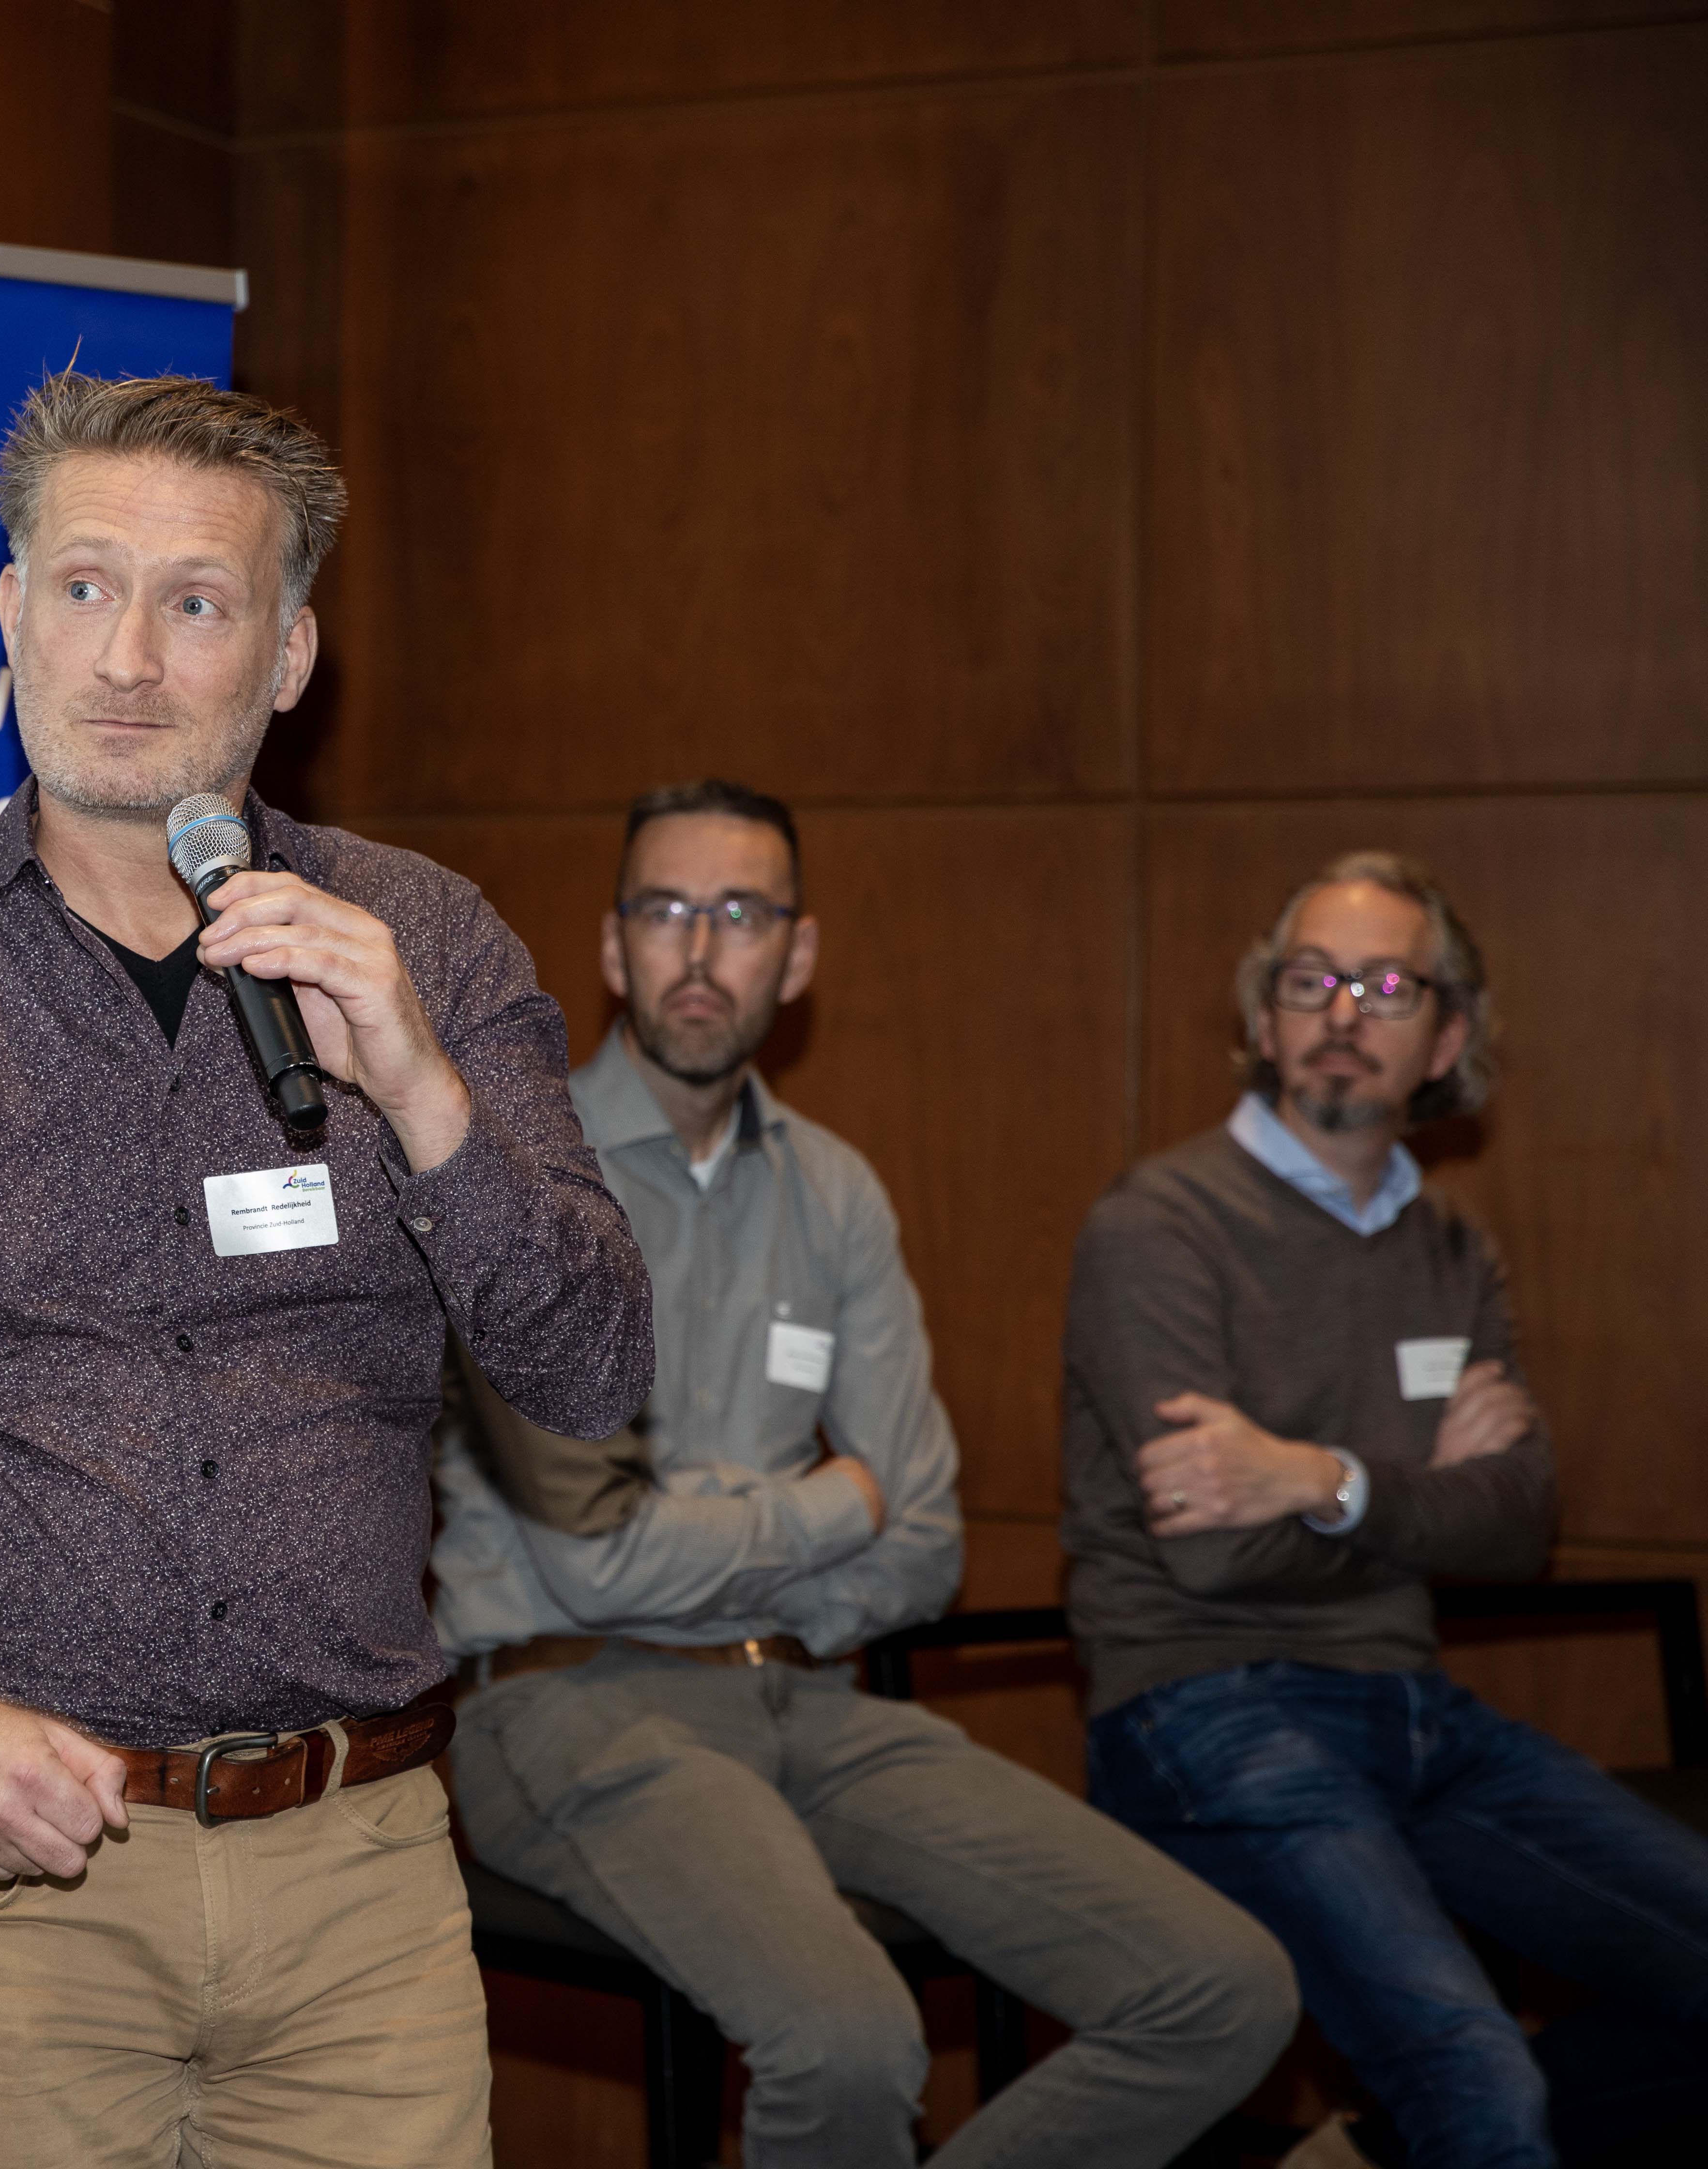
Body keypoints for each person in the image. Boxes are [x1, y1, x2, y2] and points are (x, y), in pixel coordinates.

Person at [0, 373, 654, 2169]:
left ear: (289, 655)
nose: (126, 657)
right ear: (10, 611)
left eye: (196, 603)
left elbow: (594, 1374)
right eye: (85, 587)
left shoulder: (425, 941)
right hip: (7, 1890)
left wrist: (422, 1089)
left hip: (362, 1881)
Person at [436, 779, 1297, 2169]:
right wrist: (835, 1504)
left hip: (814, 1695)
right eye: (665, 910)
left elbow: (929, 1540)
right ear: (611, 948)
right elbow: (593, 1564)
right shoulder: (518, 1177)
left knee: (1224, 1988)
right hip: (572, 1702)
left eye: (742, 914)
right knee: (846, 2044)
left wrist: (763, 1560)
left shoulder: (835, 1190)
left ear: (800, 956)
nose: (700, 949)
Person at [1065, 851, 1708, 2169]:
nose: (1344, 1013)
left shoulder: (1454, 1248)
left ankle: (1370, 2158)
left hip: (1412, 1706)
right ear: (1263, 1021)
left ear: (1447, 1041)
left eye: (1388, 987)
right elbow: (1215, 1554)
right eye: (1311, 981)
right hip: (1206, 1704)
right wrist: (1419, 1500)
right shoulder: (1160, 1226)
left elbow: (1521, 1527)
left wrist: (1320, 1480)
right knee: (1474, 2067)